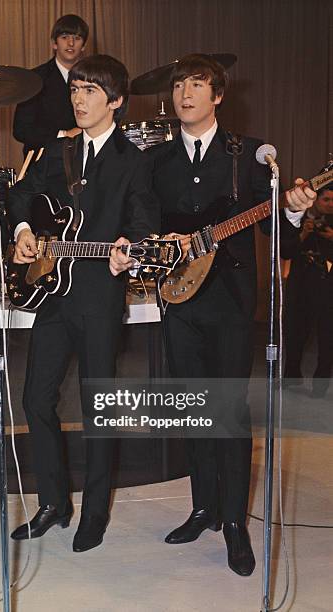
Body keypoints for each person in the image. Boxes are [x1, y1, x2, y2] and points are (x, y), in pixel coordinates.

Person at [110, 53, 315, 576]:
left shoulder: (248, 155)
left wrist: (292, 206)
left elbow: (285, 239)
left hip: (229, 302)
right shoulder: (156, 160)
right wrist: (147, 244)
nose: (186, 93)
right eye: (180, 85)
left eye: (197, 85)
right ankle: (202, 508)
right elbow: (145, 222)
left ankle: (234, 521)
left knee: (229, 410)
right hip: (178, 298)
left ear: (218, 95)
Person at [8, 54, 160, 552]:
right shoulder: (56, 150)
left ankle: (94, 512)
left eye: (90, 91)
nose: (78, 99)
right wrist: (26, 230)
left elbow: (142, 228)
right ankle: (53, 502)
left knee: (100, 408)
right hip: (52, 296)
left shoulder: (134, 161)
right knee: (34, 399)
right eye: (75, 89)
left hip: (98, 298)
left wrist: (128, 257)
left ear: (116, 101)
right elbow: (23, 195)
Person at [12, 14, 89, 158]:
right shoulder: (34, 79)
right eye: (64, 37)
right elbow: (21, 130)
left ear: (84, 46)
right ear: (54, 43)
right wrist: (64, 134)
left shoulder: (93, 79)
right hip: (43, 163)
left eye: (77, 38)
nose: (71, 43)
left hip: (83, 158)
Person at [283, 185, 333, 397]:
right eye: (326, 200)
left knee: (327, 336)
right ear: (316, 199)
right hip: (301, 285)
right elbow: (286, 250)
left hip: (327, 287)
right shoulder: (300, 219)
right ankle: (290, 377)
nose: (331, 205)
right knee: (295, 332)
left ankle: (320, 385)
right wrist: (304, 233)